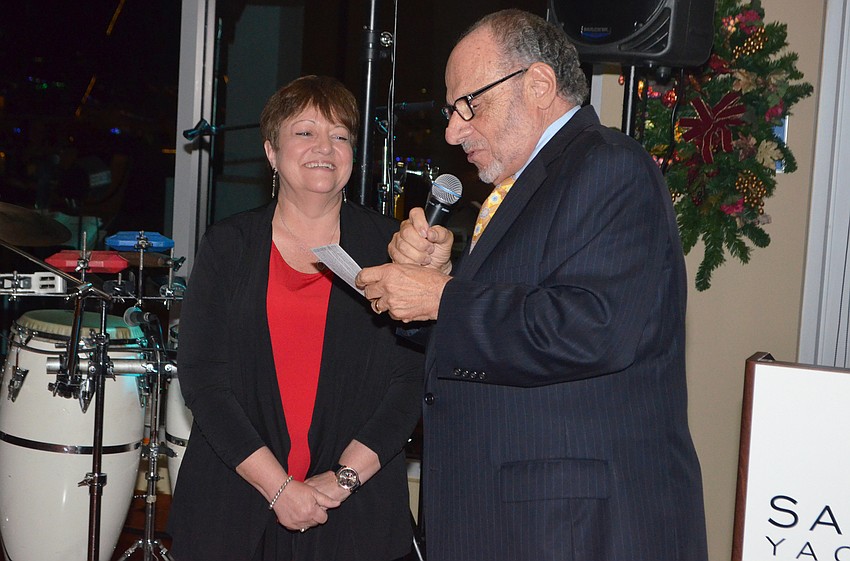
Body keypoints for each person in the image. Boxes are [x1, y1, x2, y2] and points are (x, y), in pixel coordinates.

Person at [356, 9, 709, 561]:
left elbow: (594, 328)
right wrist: (438, 282)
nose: (452, 130)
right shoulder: (524, 188)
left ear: (539, 84)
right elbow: (519, 314)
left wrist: (441, 298)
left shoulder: (610, 166)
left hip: (573, 528)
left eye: (468, 104)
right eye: (450, 111)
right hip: (511, 520)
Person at [168, 75, 423, 561]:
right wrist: (279, 487)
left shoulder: (391, 249)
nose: (324, 146)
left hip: (356, 510)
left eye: (340, 135)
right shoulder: (228, 245)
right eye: (305, 132)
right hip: (234, 507)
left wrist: (343, 479)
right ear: (271, 151)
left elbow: (409, 380)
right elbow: (203, 380)